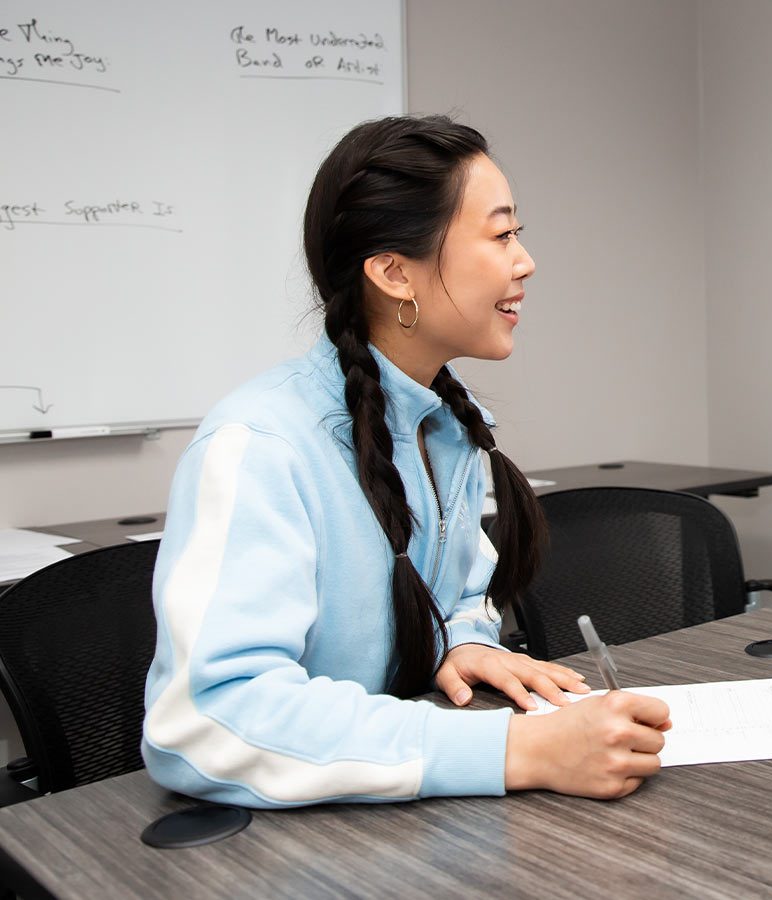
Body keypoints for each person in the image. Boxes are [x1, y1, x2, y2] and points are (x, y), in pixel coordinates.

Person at [142, 115, 670, 807]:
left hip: (402, 819)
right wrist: (514, 749)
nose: (526, 260)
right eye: (502, 233)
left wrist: (462, 639)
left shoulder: (444, 423)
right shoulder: (259, 445)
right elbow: (204, 723)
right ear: (395, 272)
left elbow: (449, 597)